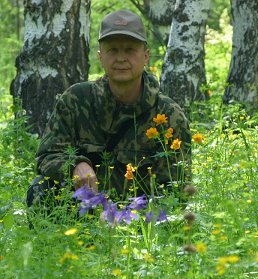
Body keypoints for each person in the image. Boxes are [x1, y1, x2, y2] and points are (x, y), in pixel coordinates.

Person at [27, 9, 191, 208]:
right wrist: (74, 165)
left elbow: (175, 191)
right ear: (100, 56)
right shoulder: (76, 100)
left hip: (138, 224)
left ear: (146, 56)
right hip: (81, 214)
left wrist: (130, 221)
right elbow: (46, 156)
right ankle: (49, 240)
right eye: (112, 50)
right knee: (39, 189)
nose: (121, 58)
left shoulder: (168, 115)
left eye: (130, 49)